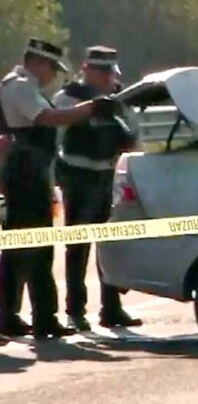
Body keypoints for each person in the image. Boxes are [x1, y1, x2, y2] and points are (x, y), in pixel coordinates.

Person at [0, 38, 115, 339]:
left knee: (19, 249)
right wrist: (90, 109)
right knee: (36, 249)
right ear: (39, 62)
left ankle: (8, 314)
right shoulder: (20, 86)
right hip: (25, 175)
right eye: (52, 68)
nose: (53, 75)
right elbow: (48, 118)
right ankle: (43, 318)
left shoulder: (25, 87)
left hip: (30, 173)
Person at [53, 46, 142, 332]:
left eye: (109, 72)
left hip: (107, 174)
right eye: (100, 71)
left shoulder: (118, 99)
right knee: (78, 245)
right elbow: (56, 134)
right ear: (86, 68)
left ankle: (112, 308)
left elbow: (132, 135)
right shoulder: (69, 97)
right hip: (78, 175)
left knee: (110, 244)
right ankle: (75, 309)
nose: (106, 77)